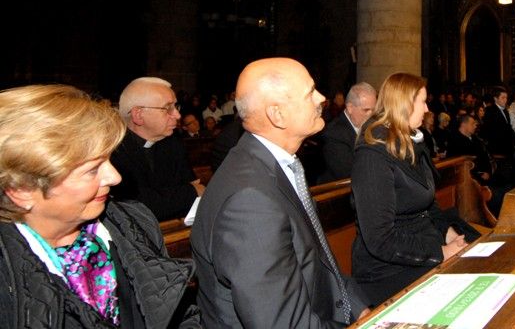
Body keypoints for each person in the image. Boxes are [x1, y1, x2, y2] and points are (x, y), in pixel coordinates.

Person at [0, 84, 200, 328]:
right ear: (22, 190)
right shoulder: (7, 273)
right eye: (92, 169)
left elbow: (176, 313)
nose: (114, 177)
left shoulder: (133, 223)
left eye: (108, 159)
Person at [191, 58, 368, 327]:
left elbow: (318, 261)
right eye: (310, 92)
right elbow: (283, 324)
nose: (322, 98)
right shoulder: (249, 200)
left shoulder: (276, 163)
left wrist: (359, 309)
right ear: (277, 114)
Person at [350, 73, 469, 305]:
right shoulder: (373, 153)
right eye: (422, 102)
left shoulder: (411, 140)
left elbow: (428, 200)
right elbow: (379, 239)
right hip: (387, 269)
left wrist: (449, 233)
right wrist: (441, 252)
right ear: (403, 104)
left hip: (422, 246)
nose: (426, 109)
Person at [111, 77, 203, 221]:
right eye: (167, 108)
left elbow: (193, 184)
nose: (178, 115)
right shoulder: (113, 150)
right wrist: (187, 193)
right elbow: (134, 207)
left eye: (175, 107)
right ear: (138, 115)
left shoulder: (173, 142)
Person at [317, 82, 377, 183]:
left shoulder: (372, 127)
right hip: (338, 194)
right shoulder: (334, 133)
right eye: (366, 110)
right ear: (350, 108)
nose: (371, 115)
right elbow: (348, 174)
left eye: (373, 110)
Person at [480, 86, 515, 158]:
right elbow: (490, 132)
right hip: (498, 147)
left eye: (506, 97)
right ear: (495, 99)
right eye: (503, 98)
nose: (505, 100)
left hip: (507, 145)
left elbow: (508, 127)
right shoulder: (490, 111)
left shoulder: (505, 110)